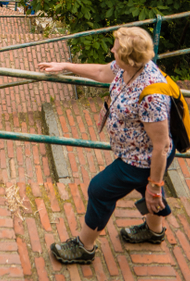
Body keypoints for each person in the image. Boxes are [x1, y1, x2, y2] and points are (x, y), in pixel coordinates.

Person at [38, 26, 175, 265]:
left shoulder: (151, 94)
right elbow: (102, 72)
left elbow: (161, 146)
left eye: (116, 48)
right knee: (149, 189)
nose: (111, 50)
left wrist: (154, 184)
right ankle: (154, 232)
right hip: (137, 154)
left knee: (100, 190)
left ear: (129, 57)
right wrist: (65, 66)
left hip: (140, 160)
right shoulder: (129, 69)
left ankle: (84, 247)